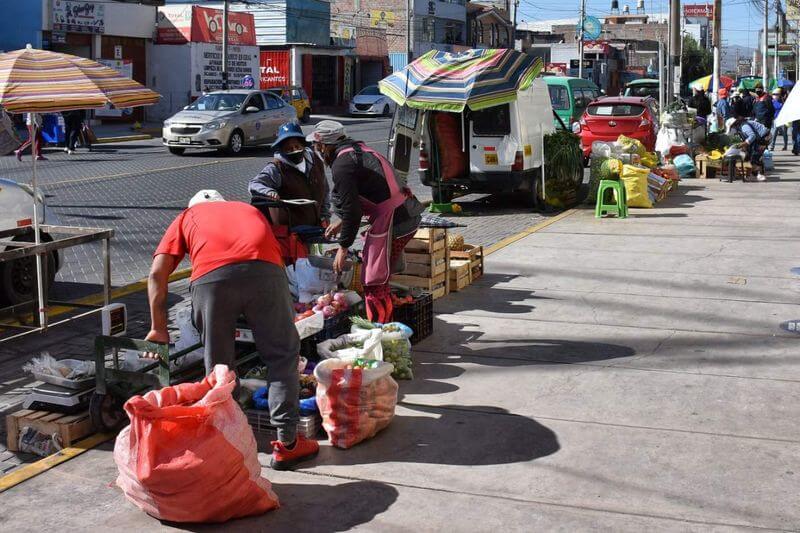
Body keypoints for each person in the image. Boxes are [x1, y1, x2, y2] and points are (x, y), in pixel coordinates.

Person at [143, 190, 318, 470]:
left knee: (219, 367)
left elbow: (156, 274)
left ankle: (230, 444)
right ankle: (288, 444)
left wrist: (158, 329)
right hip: (266, 273)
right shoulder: (246, 209)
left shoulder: (187, 216)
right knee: (282, 356)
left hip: (211, 282)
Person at [310, 120, 424, 323]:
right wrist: (342, 222)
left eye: (317, 147)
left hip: (398, 222)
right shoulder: (359, 150)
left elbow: (353, 210)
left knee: (374, 282)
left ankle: (380, 332)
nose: (317, 151)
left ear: (324, 146)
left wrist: (343, 247)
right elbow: (369, 192)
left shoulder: (342, 165)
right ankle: (386, 326)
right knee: (380, 279)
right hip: (406, 213)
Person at [249, 121, 330, 229]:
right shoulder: (276, 168)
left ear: (303, 145)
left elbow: (325, 190)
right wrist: (269, 192)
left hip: (316, 226)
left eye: (297, 146)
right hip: (293, 231)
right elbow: (254, 184)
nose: (294, 150)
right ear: (282, 150)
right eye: (289, 149)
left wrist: (325, 215)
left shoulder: (316, 160)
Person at [726, 117, 770, 182]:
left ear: (734, 125)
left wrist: (743, 144)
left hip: (763, 138)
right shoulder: (741, 126)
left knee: (755, 156)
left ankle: (759, 175)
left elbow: (752, 136)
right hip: (759, 139)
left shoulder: (744, 126)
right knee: (749, 156)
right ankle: (750, 175)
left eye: (732, 127)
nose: (733, 129)